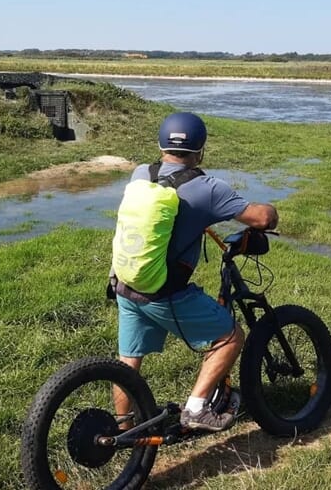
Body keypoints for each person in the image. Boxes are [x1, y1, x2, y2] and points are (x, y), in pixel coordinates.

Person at [111, 112, 278, 432]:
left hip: (126, 282)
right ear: (200, 150)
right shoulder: (207, 188)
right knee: (231, 336)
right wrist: (272, 212)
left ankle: (122, 428)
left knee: (128, 362)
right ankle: (197, 408)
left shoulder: (141, 173)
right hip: (163, 293)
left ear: (161, 144)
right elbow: (260, 219)